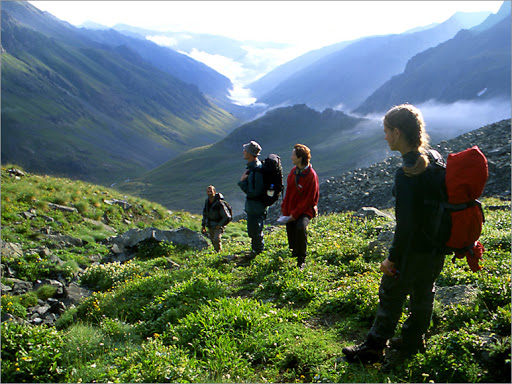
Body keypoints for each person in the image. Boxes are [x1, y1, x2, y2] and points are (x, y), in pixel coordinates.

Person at [342, 104, 446, 364]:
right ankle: (413, 340)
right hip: (437, 246)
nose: (385, 137)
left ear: (397, 132)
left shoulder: (406, 173)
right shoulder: (434, 158)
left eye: (387, 131)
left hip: (414, 249)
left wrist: (392, 258)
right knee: (424, 291)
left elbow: (406, 225)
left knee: (390, 291)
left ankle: (374, 348)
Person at [280, 144, 319, 268]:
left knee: (300, 227)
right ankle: (294, 252)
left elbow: (309, 199)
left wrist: (294, 214)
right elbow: (289, 192)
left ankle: (301, 258)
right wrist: (286, 211)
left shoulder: (311, 175)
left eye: (293, 155)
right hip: (292, 210)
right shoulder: (294, 171)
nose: (291, 158)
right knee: (290, 227)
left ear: (300, 158)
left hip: (305, 210)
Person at [238, 140, 267, 258]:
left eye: (245, 150)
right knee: (253, 230)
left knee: (255, 230)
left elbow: (254, 192)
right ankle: (255, 251)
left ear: (250, 154)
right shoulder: (254, 168)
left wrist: (242, 182)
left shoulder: (256, 170)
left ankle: (258, 252)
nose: (243, 152)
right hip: (255, 206)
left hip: (256, 206)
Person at [201, 185, 231, 252]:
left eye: (211, 191)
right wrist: (203, 225)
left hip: (218, 225)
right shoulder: (207, 202)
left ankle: (219, 253)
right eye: (208, 192)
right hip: (210, 224)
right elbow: (205, 214)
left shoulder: (219, 203)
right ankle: (217, 252)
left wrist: (220, 225)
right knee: (213, 240)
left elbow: (227, 216)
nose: (209, 193)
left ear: (214, 192)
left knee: (216, 239)